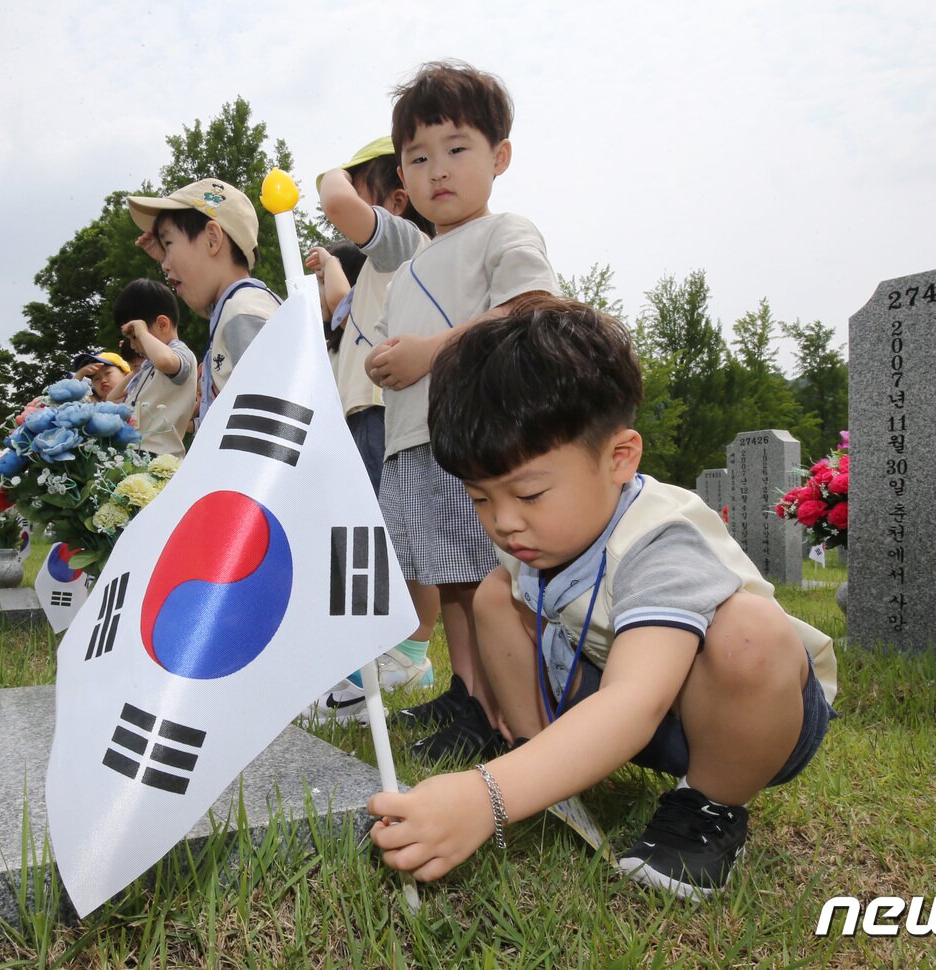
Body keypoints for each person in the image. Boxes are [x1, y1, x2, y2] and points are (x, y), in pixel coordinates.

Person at [368, 298, 838, 900]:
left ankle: (709, 808)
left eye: (530, 494)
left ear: (620, 458)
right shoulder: (540, 536)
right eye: (481, 499)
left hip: (752, 712)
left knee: (749, 632)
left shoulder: (661, 539)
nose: (505, 522)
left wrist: (484, 795)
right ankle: (542, 761)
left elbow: (634, 702)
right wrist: (529, 770)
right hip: (630, 697)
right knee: (494, 594)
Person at [365, 62, 560, 759]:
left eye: (456, 149)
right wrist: (390, 363)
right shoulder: (413, 261)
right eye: (417, 158)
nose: (436, 171)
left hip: (478, 443)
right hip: (416, 443)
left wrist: (429, 353)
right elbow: (410, 351)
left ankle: (499, 708)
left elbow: (532, 308)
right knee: (448, 576)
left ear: (498, 156)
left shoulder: (503, 230)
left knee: (485, 576)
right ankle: (467, 691)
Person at [302, 137, 441, 724]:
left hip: (391, 413)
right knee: (377, 538)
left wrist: (336, 174)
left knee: (404, 543)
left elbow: (333, 199)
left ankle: (410, 653)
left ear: (396, 202)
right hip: (365, 415)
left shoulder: (405, 245)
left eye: (366, 193)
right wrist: (330, 265)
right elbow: (340, 302)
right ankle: (380, 652)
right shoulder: (375, 277)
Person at [128, 178, 280, 427]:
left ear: (212, 238)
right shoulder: (235, 309)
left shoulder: (244, 312)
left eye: (168, 244)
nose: (164, 265)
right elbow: (204, 307)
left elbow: (270, 417)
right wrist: (172, 258)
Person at [111, 278, 197, 458]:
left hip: (160, 457)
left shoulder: (180, 353)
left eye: (134, 337)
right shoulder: (148, 365)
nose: (134, 346)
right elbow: (113, 399)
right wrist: (136, 370)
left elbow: (166, 361)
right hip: (137, 454)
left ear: (162, 324)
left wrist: (142, 333)